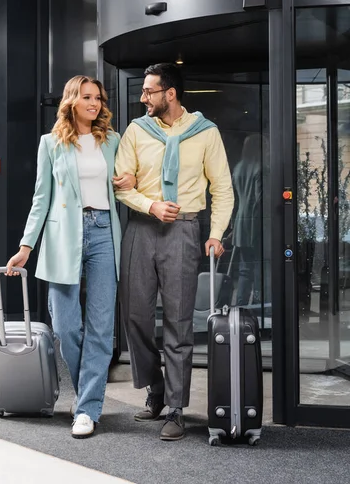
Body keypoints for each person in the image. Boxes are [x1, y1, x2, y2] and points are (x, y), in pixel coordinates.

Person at [5, 75, 135, 439]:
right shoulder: (51, 143)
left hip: (103, 233)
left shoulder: (112, 140)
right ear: (72, 101)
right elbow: (41, 198)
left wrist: (129, 183)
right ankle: (88, 399)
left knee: (100, 326)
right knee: (65, 327)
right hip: (64, 235)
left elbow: (128, 180)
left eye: (98, 98)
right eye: (87, 97)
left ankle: (87, 410)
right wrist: (25, 247)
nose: (94, 103)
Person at [114, 63, 234, 441]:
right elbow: (121, 184)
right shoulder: (136, 131)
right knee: (135, 315)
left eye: (149, 91)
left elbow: (223, 188)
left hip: (183, 230)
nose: (142, 97)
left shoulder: (205, 133)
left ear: (170, 94)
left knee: (179, 321)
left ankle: (177, 409)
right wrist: (150, 205)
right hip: (142, 228)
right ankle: (156, 389)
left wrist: (215, 233)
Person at [232, 134, 266, 307]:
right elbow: (260, 201)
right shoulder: (260, 168)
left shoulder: (238, 168)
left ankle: (241, 305)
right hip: (256, 223)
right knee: (261, 266)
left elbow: (236, 199)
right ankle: (261, 304)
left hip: (240, 221)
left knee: (245, 269)